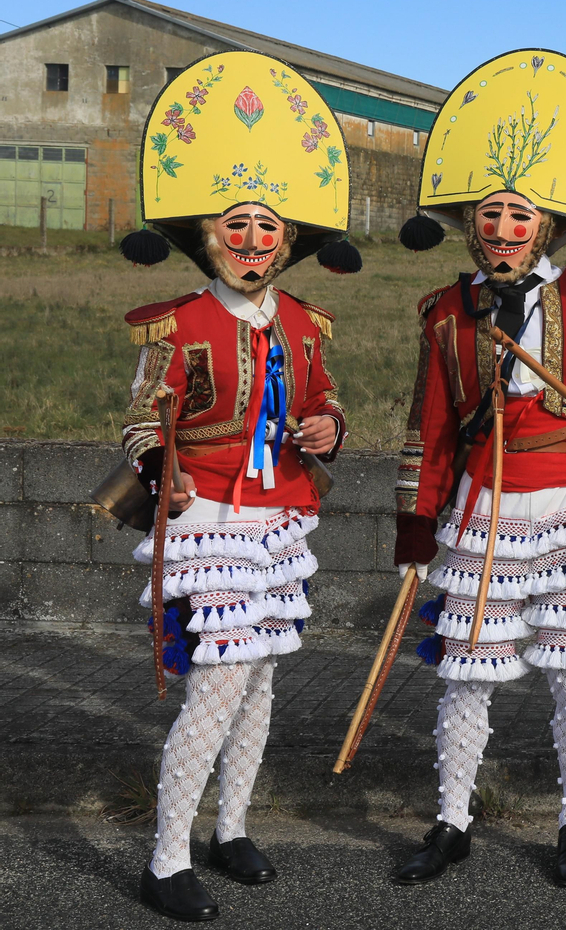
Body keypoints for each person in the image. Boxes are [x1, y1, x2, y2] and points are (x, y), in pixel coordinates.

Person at [114, 51, 362, 921]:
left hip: (279, 520)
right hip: (209, 516)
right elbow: (142, 421)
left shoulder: (305, 322)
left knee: (260, 683)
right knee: (218, 684)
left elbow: (324, 401)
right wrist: (162, 464)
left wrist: (328, 425)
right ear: (206, 235)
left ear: (289, 239)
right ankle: (165, 856)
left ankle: (231, 829)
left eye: (268, 227)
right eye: (236, 225)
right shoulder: (175, 325)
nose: (253, 241)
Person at [389, 49, 566, 887]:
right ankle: (453, 819)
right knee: (465, 677)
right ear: (473, 223)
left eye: (519, 216)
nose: (503, 229)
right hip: (478, 509)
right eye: (490, 214)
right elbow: (428, 429)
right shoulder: (444, 315)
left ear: (548, 227)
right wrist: (416, 526)